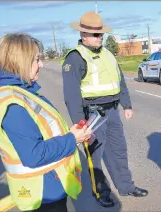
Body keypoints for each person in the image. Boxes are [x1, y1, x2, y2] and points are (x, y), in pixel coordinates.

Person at [0, 33, 92, 212]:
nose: (41, 64)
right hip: (42, 192)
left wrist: (71, 133)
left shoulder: (19, 91)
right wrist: (72, 139)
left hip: (47, 185)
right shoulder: (12, 104)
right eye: (36, 60)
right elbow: (34, 154)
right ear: (20, 61)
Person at [61, 11, 148, 208]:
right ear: (83, 35)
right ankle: (101, 192)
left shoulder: (108, 54)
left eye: (101, 34)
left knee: (119, 151)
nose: (100, 38)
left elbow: (120, 81)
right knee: (96, 158)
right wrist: (80, 124)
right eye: (95, 35)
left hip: (112, 112)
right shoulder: (75, 58)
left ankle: (126, 186)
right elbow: (71, 95)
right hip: (92, 115)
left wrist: (126, 105)